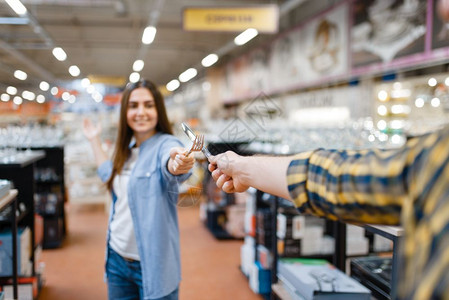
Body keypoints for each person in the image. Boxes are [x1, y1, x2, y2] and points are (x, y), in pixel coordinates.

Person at [208, 125, 449, 300]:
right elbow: (340, 179)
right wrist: (243, 167)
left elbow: (337, 179)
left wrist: (244, 168)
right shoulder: (438, 156)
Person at [83, 79, 195, 300]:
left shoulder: (165, 144)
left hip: (154, 265)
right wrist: (93, 139)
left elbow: (171, 162)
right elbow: (108, 173)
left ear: (158, 110)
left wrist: (177, 163)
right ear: (125, 111)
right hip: (116, 259)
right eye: (133, 106)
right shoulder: (126, 150)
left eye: (148, 105)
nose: (141, 112)